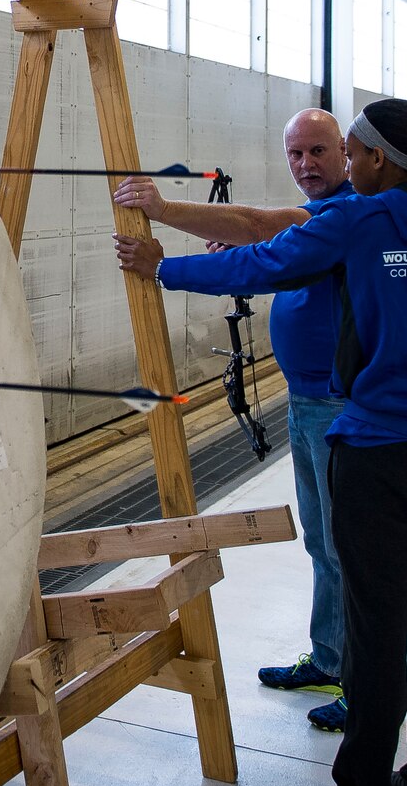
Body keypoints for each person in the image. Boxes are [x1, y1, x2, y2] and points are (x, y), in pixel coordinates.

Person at [115, 99, 407, 786]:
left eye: (348, 152)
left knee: (377, 627)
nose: (342, 166)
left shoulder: (363, 218)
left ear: (379, 158)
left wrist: (166, 268)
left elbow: (267, 260)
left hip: (380, 454)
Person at [112, 108, 353, 732]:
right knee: (326, 543)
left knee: (352, 550)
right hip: (308, 403)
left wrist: (163, 246)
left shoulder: (343, 217)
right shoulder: (318, 219)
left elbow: (257, 226)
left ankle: (366, 681)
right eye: (296, 154)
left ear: (347, 155)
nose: (306, 164)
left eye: (318, 151)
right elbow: (261, 235)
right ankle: (332, 657)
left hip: (338, 409)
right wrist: (239, 242)